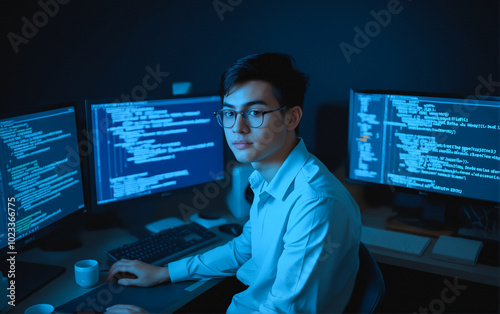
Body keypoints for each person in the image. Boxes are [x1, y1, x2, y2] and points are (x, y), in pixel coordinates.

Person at [106, 53, 361, 313]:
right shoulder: (268, 177)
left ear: (292, 118)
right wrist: (165, 273)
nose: (237, 127)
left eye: (254, 112)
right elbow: (243, 249)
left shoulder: (315, 203)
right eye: (229, 112)